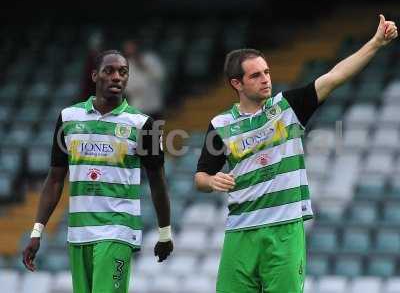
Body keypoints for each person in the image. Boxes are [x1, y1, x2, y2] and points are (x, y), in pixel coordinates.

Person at [194, 15, 397, 293]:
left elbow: (335, 76)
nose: (266, 80)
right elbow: (200, 177)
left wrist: (375, 43)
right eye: (256, 75)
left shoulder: (288, 107)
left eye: (266, 72)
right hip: (240, 232)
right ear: (236, 84)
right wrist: (212, 181)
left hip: (284, 229)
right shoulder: (221, 125)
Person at [22, 50, 173, 293]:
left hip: (118, 229)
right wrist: (37, 231)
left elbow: (158, 181)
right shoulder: (68, 118)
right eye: (109, 71)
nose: (116, 77)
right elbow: (55, 179)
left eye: (123, 72)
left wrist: (165, 232)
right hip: (79, 232)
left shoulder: (146, 124)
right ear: (95, 75)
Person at [123, 40, 166, 120]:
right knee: (141, 132)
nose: (130, 50)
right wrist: (133, 90)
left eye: (131, 47)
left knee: (154, 131)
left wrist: (144, 67)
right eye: (127, 48)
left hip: (154, 105)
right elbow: (124, 86)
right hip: (138, 107)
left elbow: (161, 76)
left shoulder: (151, 58)